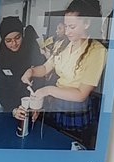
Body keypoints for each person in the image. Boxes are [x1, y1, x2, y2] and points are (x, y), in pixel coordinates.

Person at [16, 0, 107, 144]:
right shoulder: (62, 44)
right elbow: (46, 68)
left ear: (87, 23)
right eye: (66, 26)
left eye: (72, 27)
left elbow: (81, 95)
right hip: (55, 105)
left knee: (68, 145)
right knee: (50, 141)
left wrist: (47, 90)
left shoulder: (97, 51)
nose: (67, 31)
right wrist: (31, 71)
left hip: (76, 110)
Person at [0, 16, 45, 113]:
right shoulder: (0, 62)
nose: (14, 43)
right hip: (10, 110)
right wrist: (13, 109)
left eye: (17, 38)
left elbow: (42, 82)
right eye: (8, 41)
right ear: (3, 41)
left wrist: (36, 105)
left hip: (34, 109)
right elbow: (0, 91)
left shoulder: (34, 55)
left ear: (22, 35)